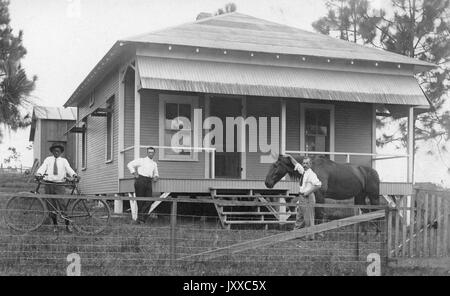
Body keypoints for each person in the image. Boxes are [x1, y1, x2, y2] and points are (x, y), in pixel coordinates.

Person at [35, 142, 78, 232]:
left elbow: (69, 169)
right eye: (54, 150)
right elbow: (43, 167)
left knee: (63, 205)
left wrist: (74, 174)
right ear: (52, 151)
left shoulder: (64, 161)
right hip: (49, 184)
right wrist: (39, 174)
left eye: (58, 151)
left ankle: (67, 226)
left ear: (61, 152)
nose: (56, 152)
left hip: (60, 185)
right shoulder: (48, 159)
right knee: (51, 206)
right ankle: (55, 226)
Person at [127, 147, 159, 224]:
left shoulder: (154, 164)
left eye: (152, 152)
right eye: (149, 152)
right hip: (140, 180)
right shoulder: (142, 160)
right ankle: (141, 220)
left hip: (149, 181)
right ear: (147, 153)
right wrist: (134, 173)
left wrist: (155, 177)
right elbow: (129, 164)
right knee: (140, 201)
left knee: (149, 200)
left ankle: (140, 218)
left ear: (154, 153)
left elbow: (156, 173)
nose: (151, 154)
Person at [291, 156, 322, 232]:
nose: (305, 165)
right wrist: (289, 157)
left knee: (308, 219)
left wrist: (307, 192)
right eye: (304, 163)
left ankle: (310, 237)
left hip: (308, 197)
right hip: (301, 197)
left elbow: (318, 185)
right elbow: (297, 165)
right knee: (299, 217)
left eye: (307, 163)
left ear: (310, 164)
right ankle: (296, 234)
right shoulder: (304, 172)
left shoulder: (311, 174)